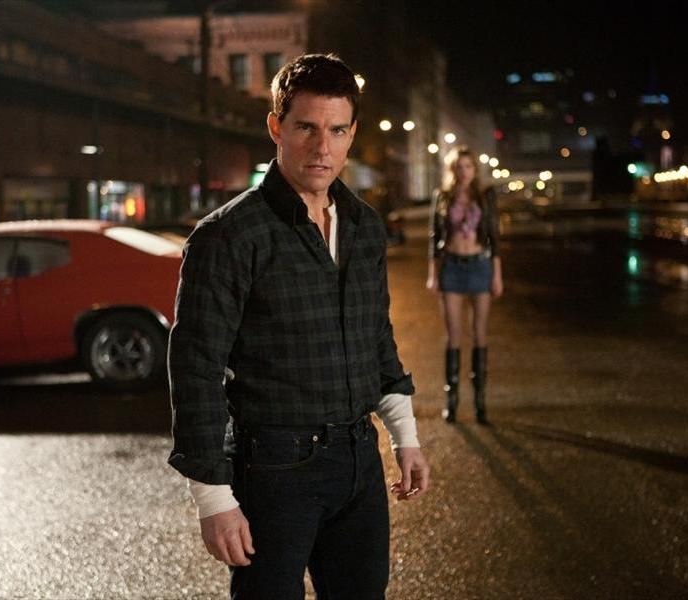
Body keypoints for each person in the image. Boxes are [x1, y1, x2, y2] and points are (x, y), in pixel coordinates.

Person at [167, 53, 430, 600]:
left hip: (359, 458)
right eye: (306, 127)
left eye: (337, 130)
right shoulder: (228, 235)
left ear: (352, 133)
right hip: (274, 468)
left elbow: (376, 339)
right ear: (276, 127)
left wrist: (405, 437)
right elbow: (196, 369)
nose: (322, 147)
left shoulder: (363, 226)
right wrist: (213, 498)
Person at [426, 145, 503, 424]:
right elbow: (434, 236)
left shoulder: (485, 195)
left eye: (468, 166)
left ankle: (480, 403)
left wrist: (497, 275)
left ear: (475, 169)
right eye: (459, 167)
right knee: (453, 336)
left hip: (481, 266)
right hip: (452, 267)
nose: (464, 171)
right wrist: (433, 273)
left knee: (479, 334)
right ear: (452, 170)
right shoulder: (443, 196)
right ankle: (453, 401)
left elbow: (494, 236)